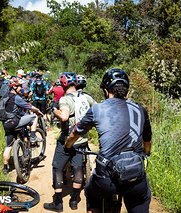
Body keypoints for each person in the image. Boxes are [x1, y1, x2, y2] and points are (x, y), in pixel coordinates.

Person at [64, 68, 152, 213]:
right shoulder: (140, 109)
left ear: (106, 90)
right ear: (127, 90)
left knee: (91, 192)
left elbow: (76, 132)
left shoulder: (97, 109)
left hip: (106, 178)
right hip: (135, 175)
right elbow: (147, 139)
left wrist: (68, 146)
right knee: (140, 200)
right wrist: (146, 153)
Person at [44, 72, 96, 212]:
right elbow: (97, 112)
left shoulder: (65, 99)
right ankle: (74, 201)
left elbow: (64, 117)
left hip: (67, 140)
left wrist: (54, 110)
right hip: (82, 140)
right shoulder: (87, 97)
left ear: (64, 84)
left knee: (57, 167)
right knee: (78, 168)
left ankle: (58, 202)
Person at [0, 78, 43, 175]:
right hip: (15, 122)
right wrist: (38, 111)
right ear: (14, 87)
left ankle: (5, 168)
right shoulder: (16, 97)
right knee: (34, 117)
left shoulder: (4, 97)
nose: (21, 88)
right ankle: (32, 136)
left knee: (8, 147)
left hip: (6, 124)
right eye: (19, 87)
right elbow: (30, 107)